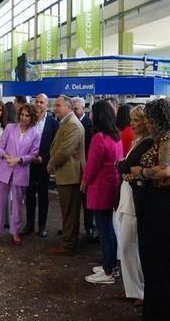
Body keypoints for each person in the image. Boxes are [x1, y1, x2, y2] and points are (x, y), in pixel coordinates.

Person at [124, 99, 170, 321]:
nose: (145, 121)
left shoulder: (168, 138)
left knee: (160, 262)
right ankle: (153, 310)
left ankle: (161, 313)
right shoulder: (159, 138)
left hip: (164, 205)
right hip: (153, 202)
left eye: (148, 117)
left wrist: (141, 172)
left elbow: (165, 170)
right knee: (151, 260)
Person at [114, 105, 152, 307]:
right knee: (127, 246)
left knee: (130, 245)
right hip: (127, 197)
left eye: (136, 121)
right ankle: (133, 289)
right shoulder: (139, 142)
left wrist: (124, 167)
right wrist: (125, 168)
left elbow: (125, 166)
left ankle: (140, 291)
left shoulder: (148, 142)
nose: (132, 124)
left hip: (134, 201)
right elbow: (126, 168)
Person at [83, 101, 123, 284]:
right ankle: (110, 266)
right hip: (111, 185)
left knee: (104, 229)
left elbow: (92, 166)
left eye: (92, 112)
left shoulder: (99, 137)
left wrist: (84, 183)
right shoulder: (116, 136)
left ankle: (108, 271)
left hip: (99, 187)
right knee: (109, 228)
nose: (90, 114)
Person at [0, 103, 40, 246]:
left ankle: (15, 232)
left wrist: (19, 159)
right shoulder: (10, 128)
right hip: (3, 169)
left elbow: (34, 154)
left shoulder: (35, 134)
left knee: (17, 203)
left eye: (27, 116)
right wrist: (6, 157)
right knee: (0, 202)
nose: (24, 118)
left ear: (32, 118)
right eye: (22, 115)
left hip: (21, 171)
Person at [48, 95, 85, 256]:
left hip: (71, 175)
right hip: (67, 174)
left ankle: (69, 245)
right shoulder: (67, 123)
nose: (55, 108)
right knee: (68, 211)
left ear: (68, 107)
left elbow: (65, 151)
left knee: (70, 212)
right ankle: (68, 241)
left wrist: (51, 164)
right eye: (55, 105)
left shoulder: (73, 125)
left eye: (58, 105)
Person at [25, 93, 58, 237]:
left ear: (47, 106)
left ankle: (42, 226)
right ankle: (29, 224)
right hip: (27, 164)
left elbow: (55, 146)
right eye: (37, 101)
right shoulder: (28, 121)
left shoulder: (53, 123)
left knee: (43, 197)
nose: (38, 104)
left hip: (44, 165)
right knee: (29, 196)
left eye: (41, 102)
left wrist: (44, 159)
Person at [71, 96, 97, 242]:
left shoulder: (89, 125)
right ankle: (73, 227)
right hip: (73, 167)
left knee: (86, 201)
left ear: (83, 108)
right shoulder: (68, 124)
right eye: (72, 109)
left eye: (76, 109)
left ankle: (89, 226)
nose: (74, 112)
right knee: (74, 199)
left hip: (85, 166)